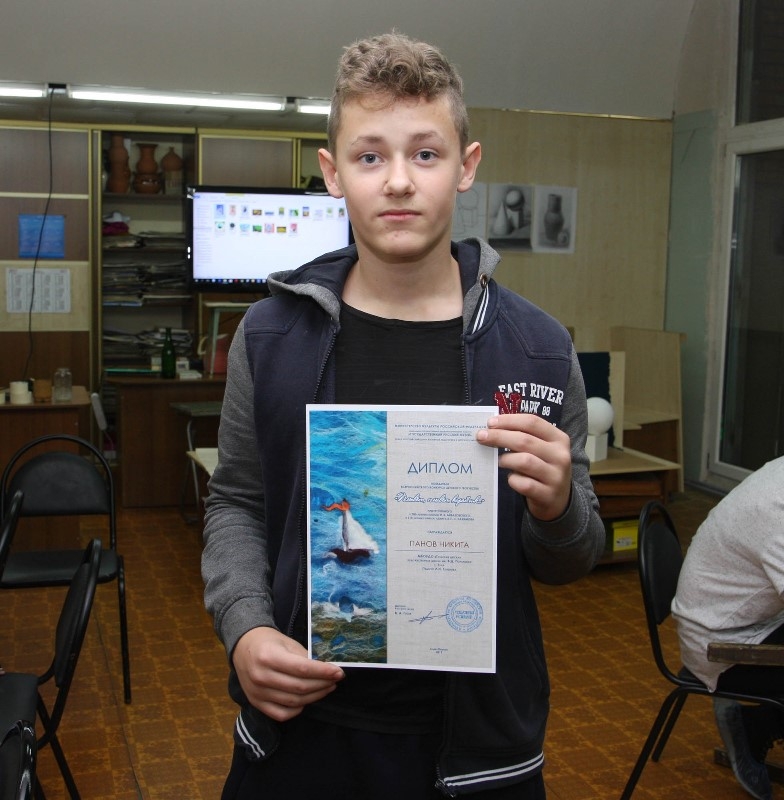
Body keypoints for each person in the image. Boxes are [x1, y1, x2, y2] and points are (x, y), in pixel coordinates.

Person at [202, 31, 605, 799]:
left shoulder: (540, 350)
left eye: (425, 154)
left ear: (466, 166)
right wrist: (245, 626)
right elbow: (237, 503)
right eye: (369, 156)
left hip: (480, 756)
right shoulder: (271, 336)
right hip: (299, 737)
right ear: (333, 173)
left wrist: (557, 508)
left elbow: (570, 559)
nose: (397, 181)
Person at [672, 456, 784, 800]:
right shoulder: (778, 513)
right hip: (719, 647)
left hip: (740, 618)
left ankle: (755, 725)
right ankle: (757, 726)